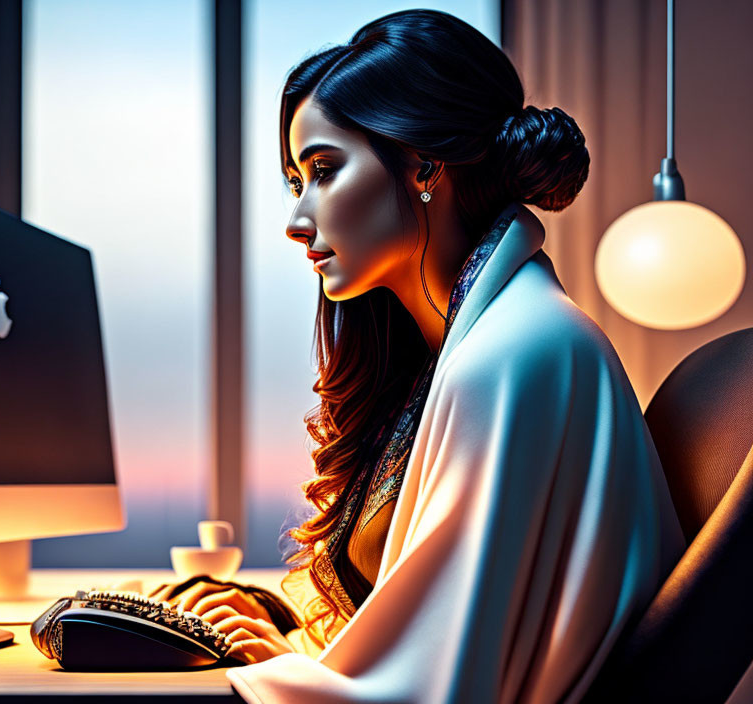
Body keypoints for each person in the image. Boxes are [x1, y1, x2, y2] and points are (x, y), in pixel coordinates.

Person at [152, 9, 687, 703]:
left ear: (425, 165)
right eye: (295, 182)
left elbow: (447, 684)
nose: (296, 218)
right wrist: (295, 636)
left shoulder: (519, 353)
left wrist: (283, 667)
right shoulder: (457, 351)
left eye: (323, 170)